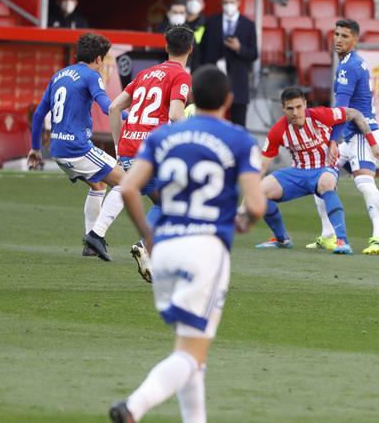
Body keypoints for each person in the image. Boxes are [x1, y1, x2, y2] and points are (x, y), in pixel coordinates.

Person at [108, 66, 266, 423]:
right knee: (191, 354)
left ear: (192, 96)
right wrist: (244, 221)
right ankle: (134, 407)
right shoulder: (239, 139)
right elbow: (256, 204)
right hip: (205, 250)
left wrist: (149, 236)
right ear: (228, 99)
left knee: (190, 346)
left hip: (165, 248)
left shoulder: (164, 136)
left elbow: (130, 187)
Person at [27, 33, 127, 261]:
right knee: (127, 183)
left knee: (99, 184)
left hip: (57, 149)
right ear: (99, 59)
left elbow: (39, 114)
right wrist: (131, 115)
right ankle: (95, 235)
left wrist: (34, 148)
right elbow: (106, 107)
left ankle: (90, 246)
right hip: (77, 148)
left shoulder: (59, 75)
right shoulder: (92, 76)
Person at [109, 26, 195, 283]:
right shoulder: (181, 76)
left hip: (127, 153)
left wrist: (117, 148)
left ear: (166, 47)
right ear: (190, 49)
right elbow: (177, 116)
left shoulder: (145, 73)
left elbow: (114, 107)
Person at [254, 86, 379, 254]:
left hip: (324, 168)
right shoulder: (277, 131)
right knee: (259, 192)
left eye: (299, 107)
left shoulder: (320, 115)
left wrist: (373, 143)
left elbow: (355, 114)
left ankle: (342, 241)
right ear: (283, 109)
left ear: (305, 104)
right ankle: (281, 239)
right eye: (290, 108)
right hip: (298, 172)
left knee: (326, 183)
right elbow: (261, 167)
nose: (295, 113)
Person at [307, 19, 379, 254]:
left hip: (364, 134)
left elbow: (341, 112)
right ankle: (328, 234)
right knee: (321, 180)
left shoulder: (349, 67)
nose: (338, 39)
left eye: (345, 36)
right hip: (352, 134)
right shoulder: (350, 62)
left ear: (355, 39)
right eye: (336, 34)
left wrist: (333, 141)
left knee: (364, 183)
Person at [200, 0, 257, 127]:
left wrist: (240, 48)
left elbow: (254, 54)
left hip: (238, 83)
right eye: (225, 2)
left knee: (238, 124)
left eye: (231, 2)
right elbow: (203, 49)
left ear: (238, 2)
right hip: (213, 81)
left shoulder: (248, 25)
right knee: (211, 124)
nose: (228, 5)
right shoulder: (211, 22)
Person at [184, 0, 206, 71]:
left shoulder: (206, 25)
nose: (194, 3)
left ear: (203, 5)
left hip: (196, 70)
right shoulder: (178, 21)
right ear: (187, 1)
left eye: (198, 0)